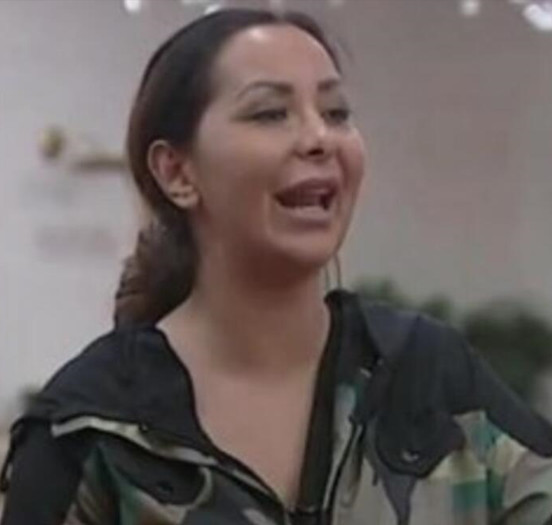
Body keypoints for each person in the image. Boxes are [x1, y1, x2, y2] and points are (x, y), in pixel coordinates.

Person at [2, 7, 552, 525]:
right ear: (177, 173)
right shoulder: (90, 430)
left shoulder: (428, 377)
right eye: (270, 113)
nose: (318, 138)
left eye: (335, 113)